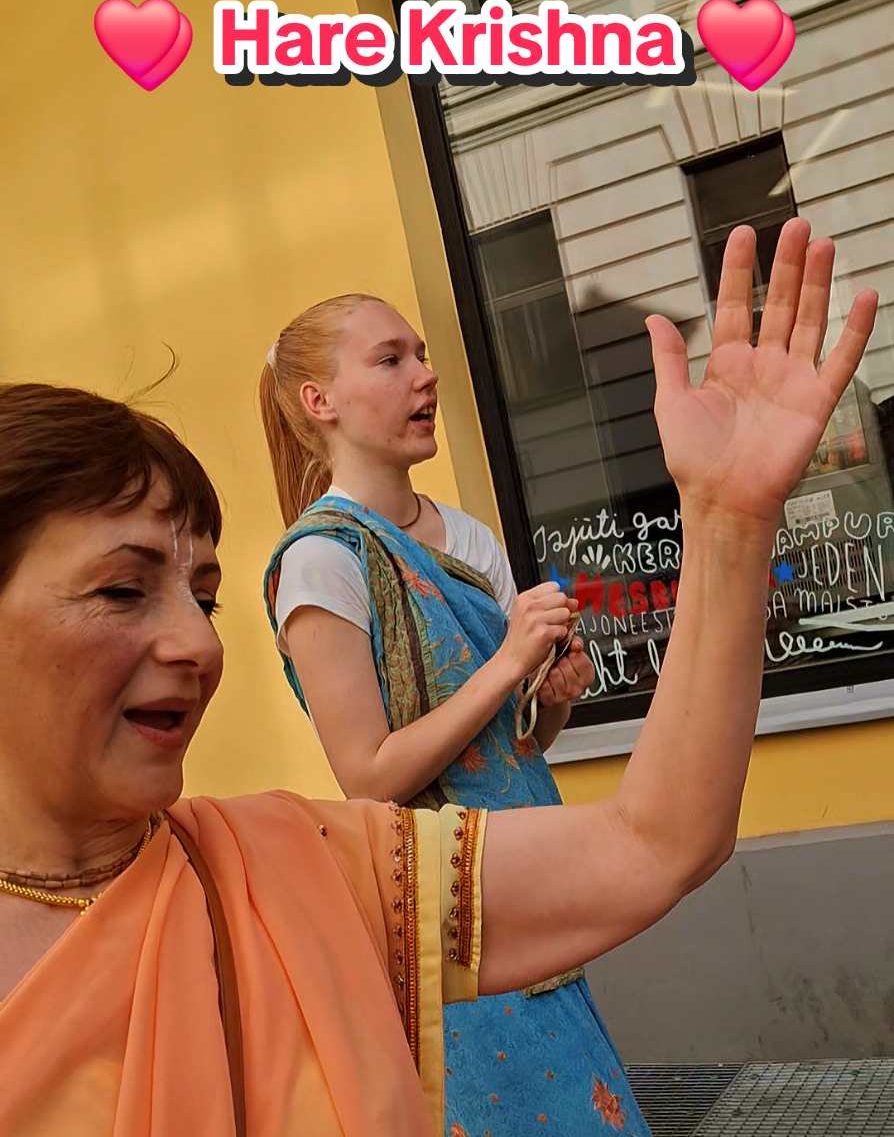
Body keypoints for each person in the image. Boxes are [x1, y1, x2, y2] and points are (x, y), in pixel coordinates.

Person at [0, 222, 876, 1137]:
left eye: (205, 600)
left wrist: (727, 524)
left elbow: (649, 839)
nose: (198, 645)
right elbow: (373, 772)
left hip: (512, 910)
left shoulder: (305, 876)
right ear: (319, 400)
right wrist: (507, 664)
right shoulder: (323, 559)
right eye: (122, 588)